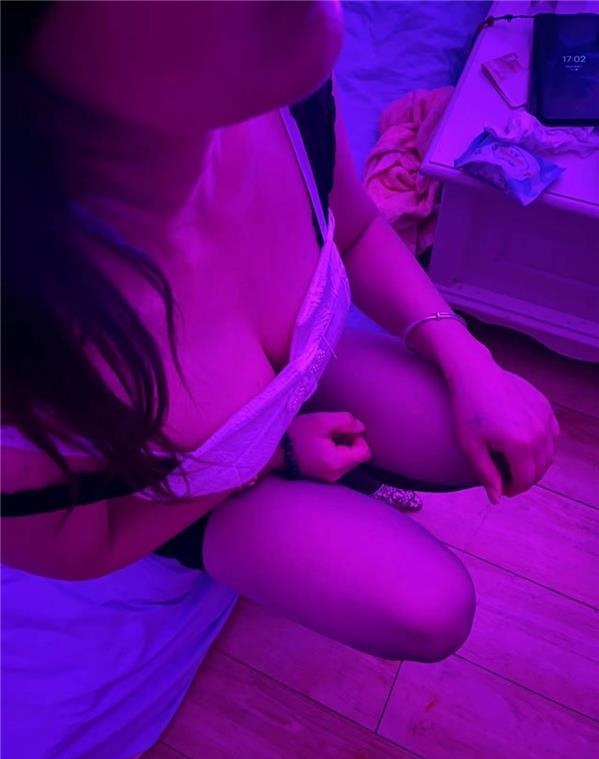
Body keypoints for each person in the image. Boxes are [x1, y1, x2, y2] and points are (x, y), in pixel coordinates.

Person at [1, 3, 560, 758]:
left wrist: (468, 358)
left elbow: (354, 229)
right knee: (427, 609)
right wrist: (270, 458)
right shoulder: (22, 334)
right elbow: (81, 546)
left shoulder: (276, 86)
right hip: (168, 496)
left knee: (487, 422)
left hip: (296, 377)